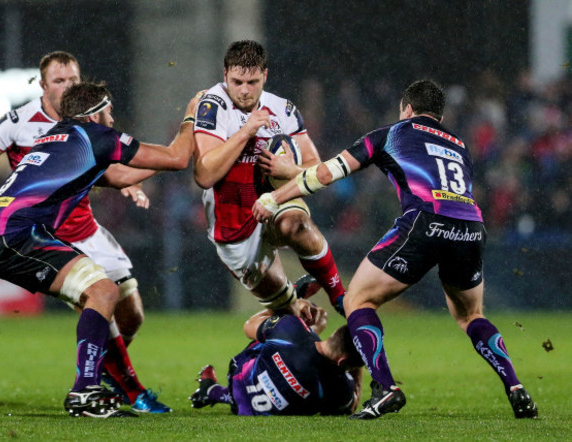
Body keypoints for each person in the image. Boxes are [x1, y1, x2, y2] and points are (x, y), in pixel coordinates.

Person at [252, 79, 538, 420]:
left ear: (406, 109)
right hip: (471, 228)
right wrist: (295, 171)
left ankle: (386, 387)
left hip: (425, 221)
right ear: (439, 116)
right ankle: (516, 387)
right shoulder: (459, 145)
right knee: (471, 315)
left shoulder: (392, 133)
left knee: (358, 299)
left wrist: (275, 196)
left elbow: (328, 174)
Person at [0, 51, 168, 413]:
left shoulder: (88, 124)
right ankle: (116, 386)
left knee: (131, 314)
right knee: (97, 296)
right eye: (59, 81)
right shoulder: (20, 120)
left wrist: (129, 183)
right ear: (43, 84)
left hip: (86, 229)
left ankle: (102, 373)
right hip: (41, 232)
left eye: (73, 81)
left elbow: (107, 169)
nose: (67, 87)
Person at [0, 81, 200, 417]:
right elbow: (178, 158)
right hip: (16, 234)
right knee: (104, 291)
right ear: (94, 114)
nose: (112, 119)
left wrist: (168, 158)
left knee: (99, 296)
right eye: (108, 111)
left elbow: (122, 176)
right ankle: (84, 393)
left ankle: (112, 388)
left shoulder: (56, 138)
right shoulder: (96, 136)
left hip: (0, 233)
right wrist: (192, 118)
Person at [193, 40, 346, 318]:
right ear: (225, 74)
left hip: (276, 205)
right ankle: (290, 305)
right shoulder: (212, 106)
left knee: (296, 224)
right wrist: (245, 132)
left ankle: (342, 299)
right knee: (289, 316)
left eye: (252, 82)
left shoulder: (283, 109)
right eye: (237, 81)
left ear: (265, 75)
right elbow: (204, 175)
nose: (244, 90)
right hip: (234, 228)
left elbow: (318, 169)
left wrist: (289, 171)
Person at [189, 303, 363, 415]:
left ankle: (289, 296)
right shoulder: (339, 389)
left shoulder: (290, 328)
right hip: (250, 409)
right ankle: (214, 391)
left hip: (239, 381)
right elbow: (352, 404)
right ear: (343, 361)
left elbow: (249, 325)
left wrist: (290, 303)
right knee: (296, 340)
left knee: (276, 332)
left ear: (334, 334)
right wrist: (357, 363)